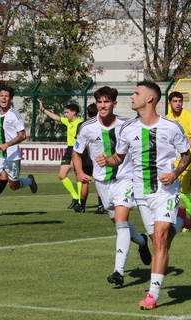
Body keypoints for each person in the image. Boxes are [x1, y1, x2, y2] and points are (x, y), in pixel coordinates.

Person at [96, 81, 191, 309]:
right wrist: (108, 160)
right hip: (141, 193)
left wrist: (175, 172)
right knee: (159, 240)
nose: (132, 97)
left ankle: (153, 295)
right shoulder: (128, 128)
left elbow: (187, 156)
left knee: (159, 239)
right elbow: (119, 157)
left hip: (165, 190)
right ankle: (180, 221)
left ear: (150, 98)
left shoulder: (171, 126)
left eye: (137, 93)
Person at [73, 86, 152, 287]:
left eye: (106, 101)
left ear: (114, 104)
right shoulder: (87, 127)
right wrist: (80, 172)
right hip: (102, 183)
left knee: (121, 220)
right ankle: (142, 242)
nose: (102, 105)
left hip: (125, 179)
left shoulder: (127, 125)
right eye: (99, 101)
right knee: (117, 222)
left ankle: (118, 271)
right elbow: (77, 152)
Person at [0, 85, 38, 225]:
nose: (3, 98)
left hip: (12, 156)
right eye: (1, 95)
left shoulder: (14, 115)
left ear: (10, 99)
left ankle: (29, 180)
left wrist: (8, 145)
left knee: (13, 185)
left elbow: (23, 135)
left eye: (6, 96)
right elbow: (1, 134)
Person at [38, 99, 83, 209]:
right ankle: (75, 197)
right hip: (69, 150)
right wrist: (43, 109)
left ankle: (81, 201)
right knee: (62, 175)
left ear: (74, 112)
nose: (65, 114)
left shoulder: (80, 124)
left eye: (67, 112)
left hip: (77, 151)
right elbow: (56, 118)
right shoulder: (68, 122)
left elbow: (81, 142)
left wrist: (75, 157)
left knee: (78, 176)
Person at [167, 91, 191, 231]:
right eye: (175, 101)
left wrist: (182, 148)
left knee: (182, 192)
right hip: (173, 163)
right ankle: (180, 220)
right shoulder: (167, 119)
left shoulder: (189, 116)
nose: (178, 103)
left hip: (189, 163)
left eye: (180, 101)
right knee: (172, 192)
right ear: (169, 103)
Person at [73, 103, 105, 214]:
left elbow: (78, 142)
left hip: (85, 156)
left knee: (84, 182)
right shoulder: (102, 125)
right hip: (97, 157)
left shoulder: (83, 125)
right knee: (99, 181)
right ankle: (101, 205)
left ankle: (82, 206)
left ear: (88, 113)